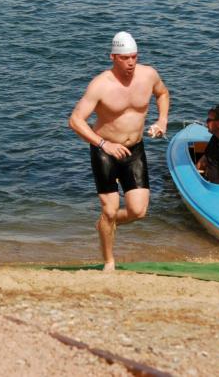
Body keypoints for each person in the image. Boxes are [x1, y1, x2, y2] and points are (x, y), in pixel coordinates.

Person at [69, 31, 169, 272]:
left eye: (134, 57)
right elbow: (75, 120)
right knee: (110, 209)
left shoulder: (149, 75)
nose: (131, 62)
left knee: (138, 211)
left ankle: (105, 224)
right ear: (113, 57)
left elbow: (162, 93)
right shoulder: (100, 85)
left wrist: (162, 120)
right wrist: (104, 144)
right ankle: (109, 261)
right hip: (105, 150)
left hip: (134, 149)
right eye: (125, 58)